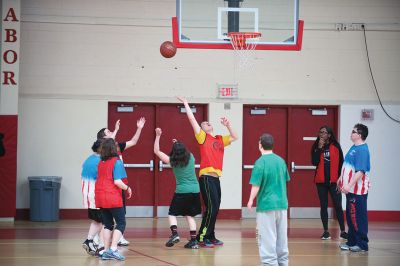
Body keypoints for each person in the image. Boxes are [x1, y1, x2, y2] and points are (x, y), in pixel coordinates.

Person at [177, 96, 238, 248]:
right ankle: (201, 237)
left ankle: (210, 235)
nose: (206, 123)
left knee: (215, 208)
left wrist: (228, 125)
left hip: (216, 179)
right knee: (211, 208)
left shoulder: (218, 139)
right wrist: (186, 104)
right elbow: (192, 120)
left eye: (207, 122)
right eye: (203, 123)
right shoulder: (202, 138)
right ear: (202, 129)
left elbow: (235, 137)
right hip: (206, 178)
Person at [96, 117, 146, 246]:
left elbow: (133, 141)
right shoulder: (102, 153)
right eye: (109, 132)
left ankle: (114, 240)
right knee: (113, 220)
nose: (112, 132)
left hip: (112, 188)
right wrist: (127, 188)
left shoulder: (116, 147)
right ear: (103, 138)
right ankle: (102, 242)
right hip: (112, 187)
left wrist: (139, 128)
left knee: (114, 218)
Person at [153, 128, 202, 249]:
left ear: (174, 152)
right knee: (189, 215)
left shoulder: (172, 161)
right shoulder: (191, 157)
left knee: (172, 213)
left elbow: (156, 150)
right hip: (195, 190)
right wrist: (177, 144)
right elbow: (182, 150)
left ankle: (174, 234)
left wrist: (158, 135)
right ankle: (194, 241)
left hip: (182, 191)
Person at [247, 133, 290, 266]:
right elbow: (286, 179)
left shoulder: (260, 162)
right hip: (282, 205)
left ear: (260, 145)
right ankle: (283, 263)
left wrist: (250, 200)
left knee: (266, 239)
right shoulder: (281, 161)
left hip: (266, 205)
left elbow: (256, 184)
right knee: (282, 239)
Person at [95, 138, 132, 261]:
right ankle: (114, 248)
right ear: (113, 149)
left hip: (100, 197)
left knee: (107, 224)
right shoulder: (116, 162)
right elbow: (117, 181)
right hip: (112, 197)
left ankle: (105, 250)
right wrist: (127, 188)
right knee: (121, 223)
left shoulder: (100, 163)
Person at [338, 123, 371, 252]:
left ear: (360, 135)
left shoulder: (362, 150)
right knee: (351, 217)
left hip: (358, 191)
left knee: (358, 217)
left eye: (354, 131)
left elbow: (360, 171)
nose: (351, 133)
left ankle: (362, 244)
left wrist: (349, 184)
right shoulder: (354, 147)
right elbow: (347, 165)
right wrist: (340, 178)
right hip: (350, 191)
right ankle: (351, 242)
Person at [311, 125, 347, 240]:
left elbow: (342, 163)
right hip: (321, 182)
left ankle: (343, 231)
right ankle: (326, 231)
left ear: (329, 135)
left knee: (338, 205)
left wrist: (340, 178)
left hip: (334, 182)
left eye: (324, 132)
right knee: (324, 206)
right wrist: (319, 148)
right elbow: (314, 162)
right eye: (320, 132)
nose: (321, 134)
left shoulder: (336, 146)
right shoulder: (316, 146)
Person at [81, 140, 104, 256]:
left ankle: (89, 240)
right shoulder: (100, 162)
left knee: (97, 220)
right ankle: (102, 247)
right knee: (105, 221)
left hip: (88, 195)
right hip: (96, 195)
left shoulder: (88, 159)